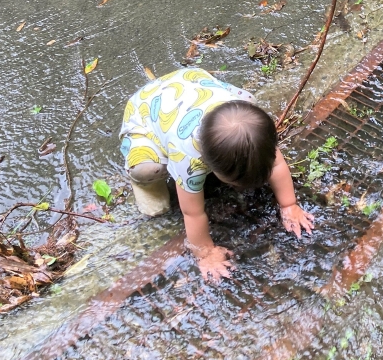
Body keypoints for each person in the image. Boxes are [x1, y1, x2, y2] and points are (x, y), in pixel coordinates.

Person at [120, 67, 314, 282]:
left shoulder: (255, 131)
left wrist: (289, 205)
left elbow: (276, 165)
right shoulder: (188, 158)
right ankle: (143, 183)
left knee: (244, 121)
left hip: (190, 83)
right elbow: (193, 213)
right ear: (210, 165)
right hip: (145, 113)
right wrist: (205, 252)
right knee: (148, 168)